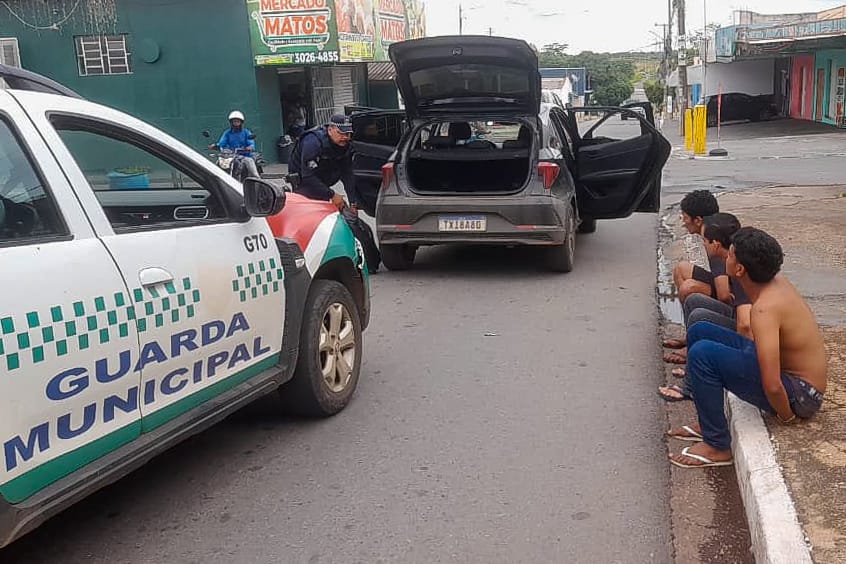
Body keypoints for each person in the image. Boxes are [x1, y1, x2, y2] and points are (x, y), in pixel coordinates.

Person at [667, 227, 827, 468]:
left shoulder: (764, 309)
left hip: (801, 395)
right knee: (700, 331)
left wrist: (787, 417)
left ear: (740, 269)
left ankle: (717, 446)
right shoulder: (775, 283)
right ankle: (709, 421)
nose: (725, 257)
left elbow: (772, 385)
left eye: (730, 255)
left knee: (702, 354)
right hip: (793, 380)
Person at [659, 213, 752, 401]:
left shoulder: (735, 266)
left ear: (716, 244)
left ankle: (690, 387)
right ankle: (692, 360)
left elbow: (744, 324)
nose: (703, 244)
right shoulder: (730, 259)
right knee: (694, 301)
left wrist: (738, 354)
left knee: (699, 317)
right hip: (737, 315)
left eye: (705, 241)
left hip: (748, 329)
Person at [288, 114, 380, 273]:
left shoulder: (345, 145)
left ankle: (370, 263)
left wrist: (353, 202)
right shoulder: (313, 142)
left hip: (323, 182)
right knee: (313, 225)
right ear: (330, 130)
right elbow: (308, 177)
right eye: (341, 133)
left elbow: (347, 174)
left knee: (353, 222)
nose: (346, 137)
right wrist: (332, 195)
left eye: (348, 134)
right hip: (304, 184)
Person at [672, 190, 720, 303]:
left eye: (685, 217)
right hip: (720, 281)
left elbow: (725, 290)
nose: (683, 222)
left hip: (729, 290)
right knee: (680, 269)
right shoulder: (710, 232)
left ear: (697, 220)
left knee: (687, 288)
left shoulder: (714, 242)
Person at [209, 111, 260, 179]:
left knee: (249, 162)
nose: (236, 123)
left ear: (241, 122)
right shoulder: (227, 133)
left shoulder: (246, 132)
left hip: (245, 155)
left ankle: (257, 179)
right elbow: (222, 143)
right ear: (231, 122)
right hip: (232, 156)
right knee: (218, 162)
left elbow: (251, 143)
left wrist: (250, 147)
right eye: (234, 121)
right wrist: (215, 146)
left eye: (237, 121)